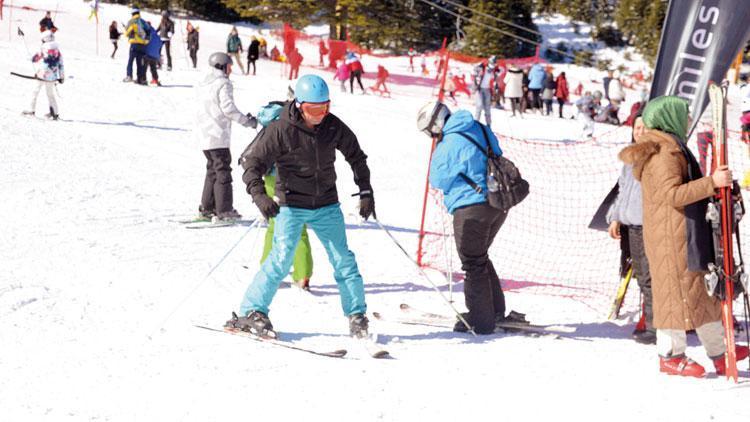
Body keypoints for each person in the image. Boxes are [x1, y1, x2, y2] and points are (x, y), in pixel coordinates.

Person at [231, 74, 375, 339]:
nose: (319, 115)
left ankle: (357, 315)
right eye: (313, 109)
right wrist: (260, 196)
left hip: (327, 204)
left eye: (324, 108)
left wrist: (365, 191)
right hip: (291, 204)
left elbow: (356, 156)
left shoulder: (332, 126)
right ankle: (252, 311)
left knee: (344, 261)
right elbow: (252, 164)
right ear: (299, 105)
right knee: (280, 260)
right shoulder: (280, 129)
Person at [618, 95, 749, 377]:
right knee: (675, 298)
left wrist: (717, 189)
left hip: (683, 232)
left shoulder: (672, 147)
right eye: (684, 114)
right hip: (670, 237)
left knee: (700, 294)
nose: (688, 120)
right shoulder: (663, 154)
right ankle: (670, 355)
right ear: (669, 117)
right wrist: (711, 183)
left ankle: (719, 351)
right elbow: (672, 195)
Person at [417, 101, 508, 335]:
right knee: (480, 257)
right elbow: (497, 151)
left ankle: (480, 320)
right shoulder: (478, 126)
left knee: (472, 262)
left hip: (470, 207)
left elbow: (437, 179)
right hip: (497, 203)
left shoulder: (449, 143)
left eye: (430, 132)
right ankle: (495, 310)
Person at [606, 110, 655, 345]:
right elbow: (623, 190)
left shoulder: (656, 156)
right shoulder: (630, 156)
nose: (640, 131)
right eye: (636, 128)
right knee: (641, 275)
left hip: (648, 224)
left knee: (649, 275)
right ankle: (651, 318)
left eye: (644, 127)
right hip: (631, 224)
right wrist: (615, 217)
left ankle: (654, 323)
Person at [194, 52, 257, 221]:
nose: (231, 69)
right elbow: (228, 109)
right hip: (217, 134)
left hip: (205, 134)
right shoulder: (223, 84)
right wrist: (248, 121)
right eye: (229, 66)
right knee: (222, 171)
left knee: (212, 170)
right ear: (222, 66)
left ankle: (207, 208)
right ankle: (224, 210)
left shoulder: (205, 83)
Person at [23, 30, 64, 120]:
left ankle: (31, 110)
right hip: (52, 77)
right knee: (50, 94)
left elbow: (36, 58)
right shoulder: (57, 50)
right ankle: (54, 113)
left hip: (42, 75)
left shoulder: (44, 48)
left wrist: (32, 59)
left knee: (35, 91)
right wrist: (61, 77)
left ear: (45, 39)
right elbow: (61, 64)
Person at [124, 8, 149, 84]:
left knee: (131, 60)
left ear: (132, 14)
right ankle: (140, 79)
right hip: (143, 45)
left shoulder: (131, 21)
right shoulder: (143, 21)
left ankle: (129, 76)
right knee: (139, 62)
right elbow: (148, 31)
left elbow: (127, 33)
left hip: (134, 43)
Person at [472, 56, 497, 127]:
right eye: (491, 64)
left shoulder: (495, 71)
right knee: (479, 105)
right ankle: (476, 123)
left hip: (488, 90)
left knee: (487, 108)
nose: (492, 67)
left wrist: (495, 91)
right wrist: (475, 87)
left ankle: (488, 124)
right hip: (480, 89)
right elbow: (474, 73)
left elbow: (495, 81)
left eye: (494, 64)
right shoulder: (482, 68)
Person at [144, 22, 163, 86]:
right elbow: (160, 44)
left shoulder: (147, 33)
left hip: (148, 53)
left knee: (144, 66)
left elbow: (145, 42)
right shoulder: (156, 34)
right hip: (155, 55)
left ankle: (143, 79)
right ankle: (155, 79)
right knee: (153, 68)